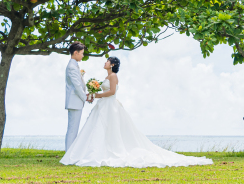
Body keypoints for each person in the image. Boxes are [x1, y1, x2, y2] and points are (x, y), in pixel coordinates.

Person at [60, 56, 213, 168]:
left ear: (112, 64)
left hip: (109, 106)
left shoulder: (113, 76)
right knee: (97, 129)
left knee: (110, 129)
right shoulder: (107, 76)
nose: (105, 62)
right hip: (103, 106)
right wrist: (94, 91)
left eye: (107, 61)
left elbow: (112, 92)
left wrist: (96, 95)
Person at [64, 42, 90, 152]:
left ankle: (70, 153)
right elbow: (77, 86)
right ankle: (68, 154)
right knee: (72, 129)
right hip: (74, 102)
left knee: (73, 129)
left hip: (76, 102)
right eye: (82, 53)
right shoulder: (72, 67)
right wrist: (86, 98)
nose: (83, 55)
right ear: (76, 53)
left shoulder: (74, 66)